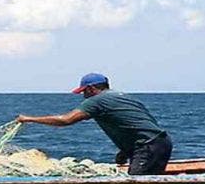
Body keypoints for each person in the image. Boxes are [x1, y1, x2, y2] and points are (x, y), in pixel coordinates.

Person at [16, 73, 173, 175]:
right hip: (161, 142)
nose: (83, 96)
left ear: (91, 89)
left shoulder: (97, 101)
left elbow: (65, 120)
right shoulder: (123, 97)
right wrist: (126, 151)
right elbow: (137, 125)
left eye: (84, 91)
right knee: (147, 180)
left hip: (147, 146)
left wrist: (29, 119)